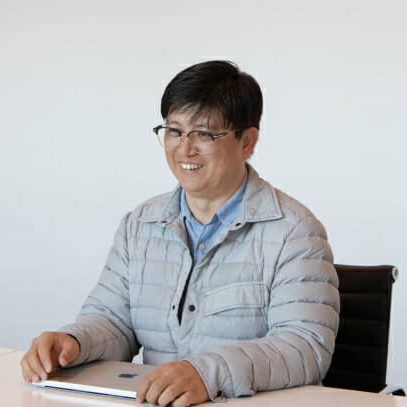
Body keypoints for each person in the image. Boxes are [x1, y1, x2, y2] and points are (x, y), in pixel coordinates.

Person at [20, 60, 340, 407]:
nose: (185, 148)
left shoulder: (295, 232)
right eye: (174, 131)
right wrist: (73, 342)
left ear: (247, 142)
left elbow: (305, 347)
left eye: (203, 134)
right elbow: (113, 322)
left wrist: (206, 374)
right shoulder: (140, 224)